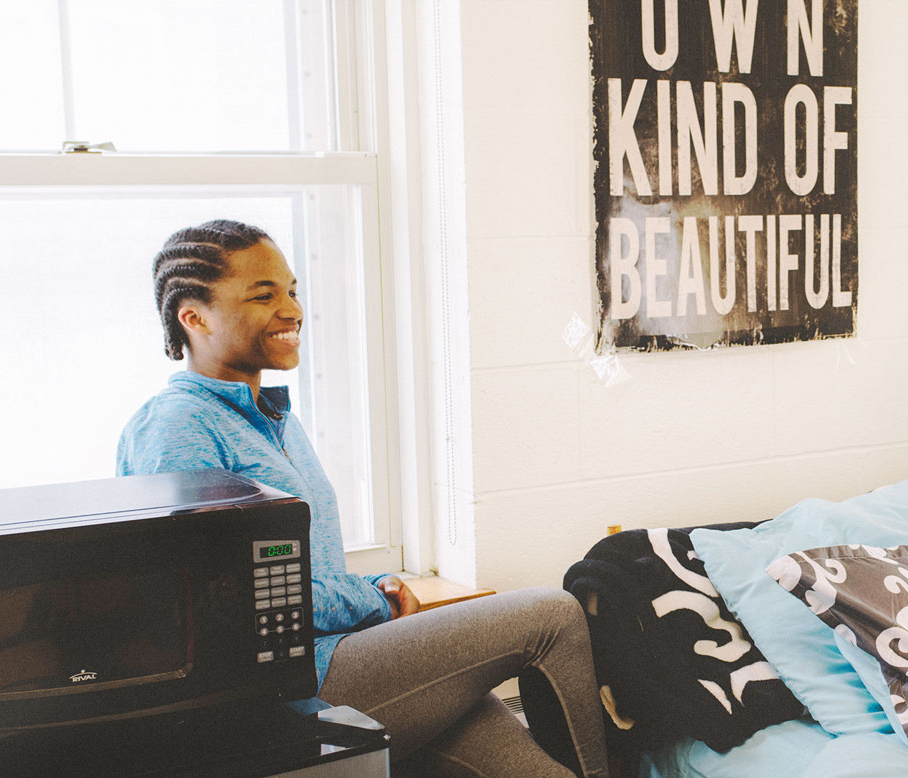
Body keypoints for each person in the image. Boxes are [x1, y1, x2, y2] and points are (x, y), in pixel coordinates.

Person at [118, 219, 608, 778]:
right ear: (193, 317)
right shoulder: (178, 427)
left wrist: (371, 600)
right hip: (288, 691)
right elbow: (230, 607)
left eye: (293, 291)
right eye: (264, 295)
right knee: (551, 614)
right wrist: (373, 594)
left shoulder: (271, 417)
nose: (293, 310)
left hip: (344, 660)